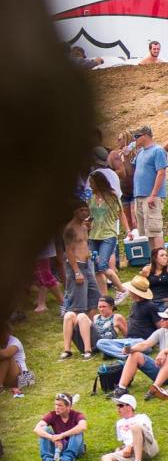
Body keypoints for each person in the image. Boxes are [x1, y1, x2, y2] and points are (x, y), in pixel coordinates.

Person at [87, 393, 158, 461]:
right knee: (106, 457)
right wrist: (123, 448)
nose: (118, 408)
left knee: (135, 427)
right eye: (117, 406)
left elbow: (147, 435)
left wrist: (130, 446)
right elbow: (125, 440)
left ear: (129, 407)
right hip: (133, 451)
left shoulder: (142, 417)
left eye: (120, 405)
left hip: (148, 447)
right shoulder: (119, 423)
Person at [87, 171, 130, 301]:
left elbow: (121, 214)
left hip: (108, 235)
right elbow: (89, 215)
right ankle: (104, 297)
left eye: (92, 183)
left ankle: (122, 290)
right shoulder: (90, 198)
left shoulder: (112, 197)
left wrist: (127, 230)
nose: (90, 185)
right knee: (96, 269)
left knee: (103, 266)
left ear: (98, 183)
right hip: (93, 235)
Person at [129, 125, 166, 251]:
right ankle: (153, 260)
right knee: (146, 232)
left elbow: (161, 173)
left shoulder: (157, 150)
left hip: (151, 197)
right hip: (139, 196)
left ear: (145, 135)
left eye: (137, 136)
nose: (135, 139)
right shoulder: (140, 152)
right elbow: (131, 171)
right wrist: (125, 156)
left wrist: (153, 195)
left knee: (155, 230)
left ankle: (161, 259)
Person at [61, 200, 100, 317]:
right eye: (81, 210)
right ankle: (73, 325)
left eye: (85, 210)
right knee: (78, 305)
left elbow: (83, 244)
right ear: (74, 212)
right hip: (77, 266)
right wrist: (77, 271)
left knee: (95, 299)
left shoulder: (84, 227)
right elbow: (69, 251)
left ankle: (90, 325)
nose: (84, 212)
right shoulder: (70, 229)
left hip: (88, 265)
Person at [35, 393, 87, 461]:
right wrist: (52, 437)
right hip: (59, 446)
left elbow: (83, 426)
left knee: (77, 430)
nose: (56, 407)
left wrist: (61, 435)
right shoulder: (52, 415)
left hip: (76, 448)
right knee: (44, 429)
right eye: (55, 405)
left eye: (60, 405)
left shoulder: (77, 415)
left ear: (69, 406)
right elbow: (37, 429)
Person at [66, 296, 127, 361]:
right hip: (89, 344)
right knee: (69, 315)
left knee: (81, 316)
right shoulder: (96, 317)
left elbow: (127, 335)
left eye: (104, 307)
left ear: (111, 307)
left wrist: (126, 348)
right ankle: (67, 351)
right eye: (99, 307)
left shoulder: (117, 317)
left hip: (103, 345)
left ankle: (88, 351)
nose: (101, 309)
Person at [0, 333, 31, 398]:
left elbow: (5, 354)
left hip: (19, 377)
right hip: (2, 376)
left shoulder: (15, 341)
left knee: (6, 357)